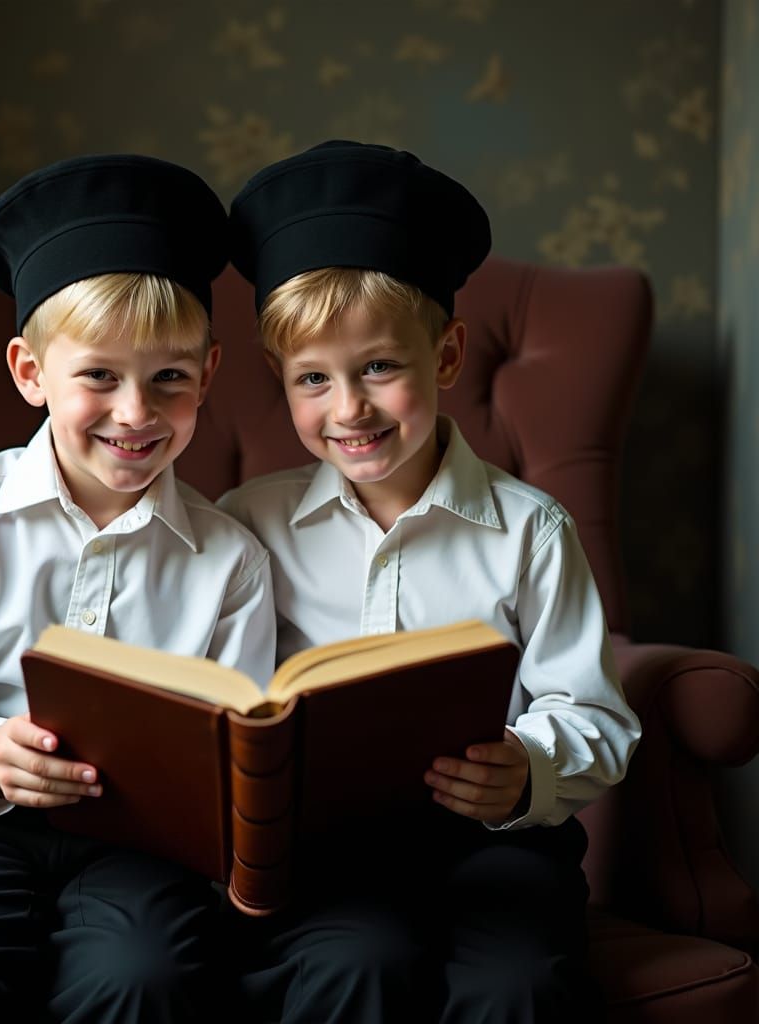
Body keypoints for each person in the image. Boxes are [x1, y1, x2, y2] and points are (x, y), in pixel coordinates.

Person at [219, 140, 642, 1023]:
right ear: (280, 382)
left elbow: (595, 714)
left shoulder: (532, 529)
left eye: (380, 367)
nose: (351, 410)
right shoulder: (247, 524)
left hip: (499, 849)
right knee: (355, 966)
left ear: (446, 356)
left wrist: (527, 768)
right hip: (328, 856)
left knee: (516, 987)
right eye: (314, 380)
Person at [0, 153, 275, 1024]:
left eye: (170, 378)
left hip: (143, 850)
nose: (135, 413)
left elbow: (239, 735)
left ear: (209, 373)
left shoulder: (230, 557)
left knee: (146, 978)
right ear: (30, 371)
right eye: (98, 377)